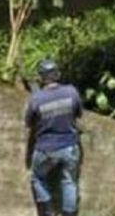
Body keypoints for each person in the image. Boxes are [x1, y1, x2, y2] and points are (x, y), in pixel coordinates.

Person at [24, 58, 83, 216]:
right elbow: (78, 114)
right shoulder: (71, 92)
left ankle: (49, 210)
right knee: (69, 182)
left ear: (42, 78)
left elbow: (28, 123)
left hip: (45, 149)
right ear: (57, 74)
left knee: (37, 178)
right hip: (70, 146)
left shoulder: (36, 98)